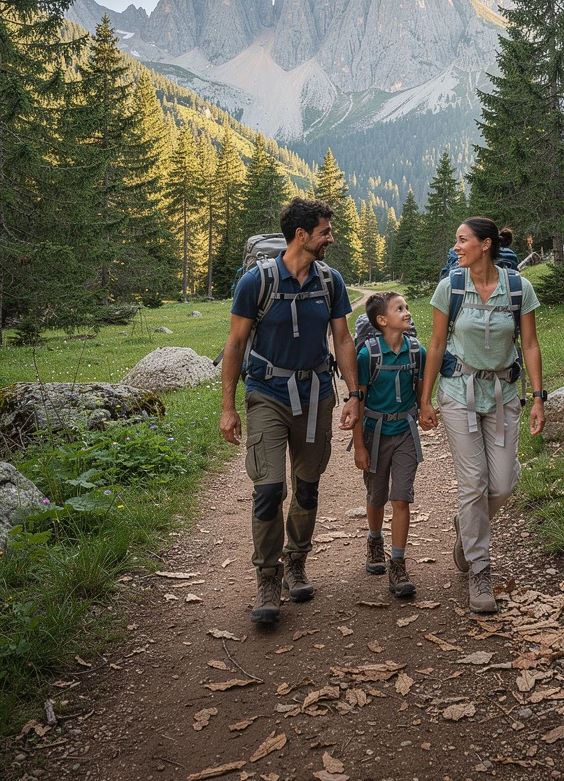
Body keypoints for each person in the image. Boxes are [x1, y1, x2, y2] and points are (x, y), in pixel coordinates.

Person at [220, 197, 361, 624]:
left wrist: (354, 394)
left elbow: (343, 339)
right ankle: (267, 577)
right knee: (268, 489)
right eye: (325, 232)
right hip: (266, 393)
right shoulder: (256, 283)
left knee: (307, 488)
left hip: (316, 394)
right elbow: (235, 344)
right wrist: (228, 407)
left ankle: (296, 561)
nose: (330, 238)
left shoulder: (330, 281)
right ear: (301, 235)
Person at [419, 217, 546, 614]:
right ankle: (479, 569)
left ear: (486, 245)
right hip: (460, 393)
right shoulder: (450, 287)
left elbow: (530, 344)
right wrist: (425, 400)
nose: (456, 247)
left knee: (504, 483)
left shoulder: (518, 288)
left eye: (463, 240)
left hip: (504, 394)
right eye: (456, 241)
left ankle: (468, 524)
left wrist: (538, 398)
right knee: (473, 483)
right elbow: (436, 345)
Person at [351, 292, 426, 598]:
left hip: (406, 431)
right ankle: (374, 540)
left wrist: (426, 408)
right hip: (375, 433)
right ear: (382, 320)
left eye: (406, 307)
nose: (407, 312)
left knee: (401, 498)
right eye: (399, 309)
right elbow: (358, 402)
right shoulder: (367, 356)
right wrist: (359, 446)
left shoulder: (416, 351)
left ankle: (398, 563)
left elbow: (421, 391)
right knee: (377, 495)